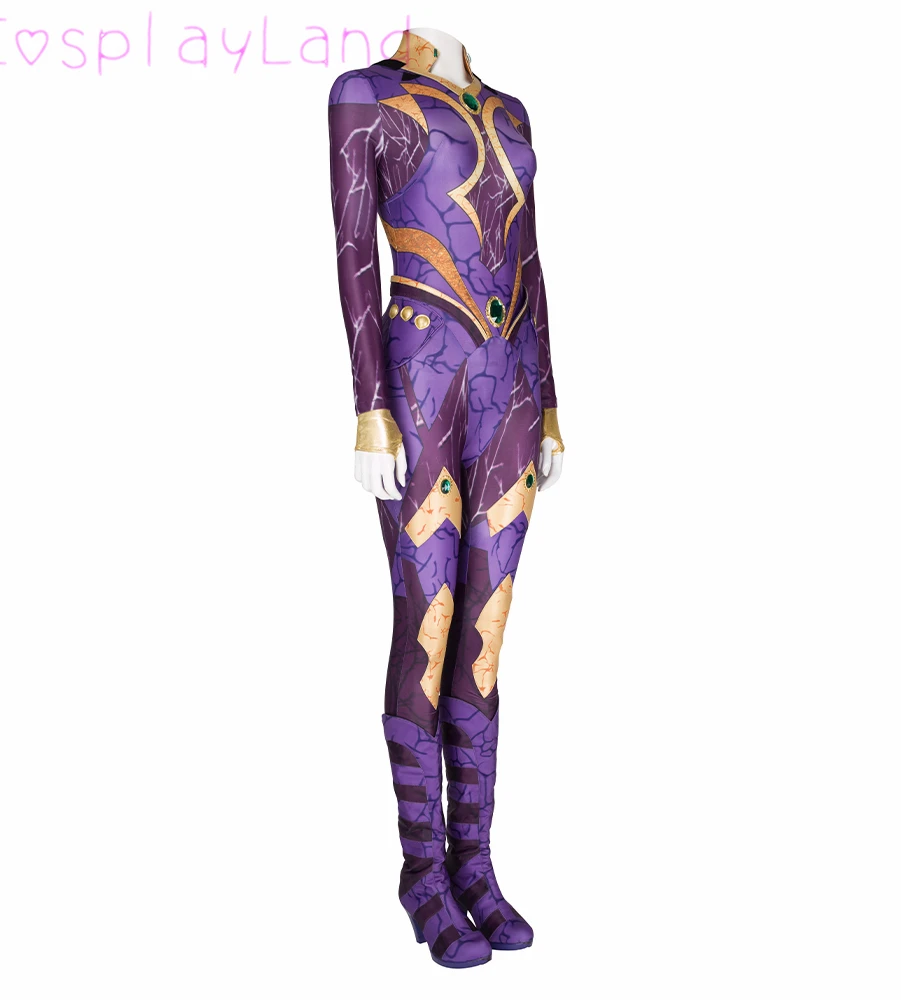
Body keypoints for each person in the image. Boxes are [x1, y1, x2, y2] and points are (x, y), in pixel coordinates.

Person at [327, 26, 564, 968]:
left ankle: (478, 865)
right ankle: (423, 872)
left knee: (487, 630)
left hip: (511, 388)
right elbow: (352, 253)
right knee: (426, 619)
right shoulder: (364, 92)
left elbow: (533, 261)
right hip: (421, 377)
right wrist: (368, 408)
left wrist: (552, 402)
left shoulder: (511, 110)